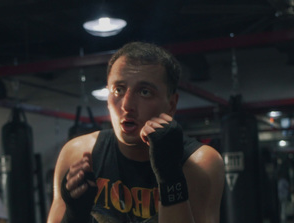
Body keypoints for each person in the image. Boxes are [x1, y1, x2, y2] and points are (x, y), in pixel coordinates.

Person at [47, 41, 225, 223]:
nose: (126, 105)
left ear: (171, 104)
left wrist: (171, 179)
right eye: (118, 90)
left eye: (145, 92)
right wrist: (74, 216)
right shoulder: (78, 153)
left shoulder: (198, 163)